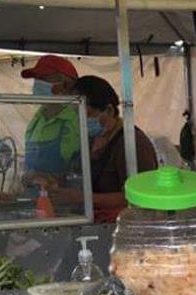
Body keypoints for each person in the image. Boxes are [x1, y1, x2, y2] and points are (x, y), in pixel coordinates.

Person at [72, 75, 158, 222]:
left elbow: (140, 196)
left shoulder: (133, 143)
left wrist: (82, 198)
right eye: (76, 114)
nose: (81, 120)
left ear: (109, 110)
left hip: (122, 224)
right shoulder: (90, 140)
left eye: (87, 114)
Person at [21, 55, 82, 190]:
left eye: (43, 78)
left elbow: (85, 170)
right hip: (35, 196)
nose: (37, 84)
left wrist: (53, 179)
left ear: (65, 84)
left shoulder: (80, 118)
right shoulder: (37, 118)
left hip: (66, 198)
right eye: (36, 79)